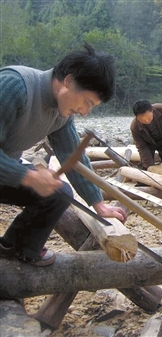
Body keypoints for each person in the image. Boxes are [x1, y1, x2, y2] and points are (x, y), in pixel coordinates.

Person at [0, 43, 127, 267]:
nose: (85, 112)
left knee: (58, 192)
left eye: (92, 107)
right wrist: (28, 176)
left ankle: (15, 248)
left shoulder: (62, 114)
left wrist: (97, 203)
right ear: (68, 81)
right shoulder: (14, 86)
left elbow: (73, 159)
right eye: (87, 102)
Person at [130, 99, 162, 170]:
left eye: (149, 117)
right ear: (136, 117)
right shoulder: (135, 127)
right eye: (143, 120)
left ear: (152, 111)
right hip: (147, 144)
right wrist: (149, 167)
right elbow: (142, 147)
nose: (147, 121)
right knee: (147, 167)